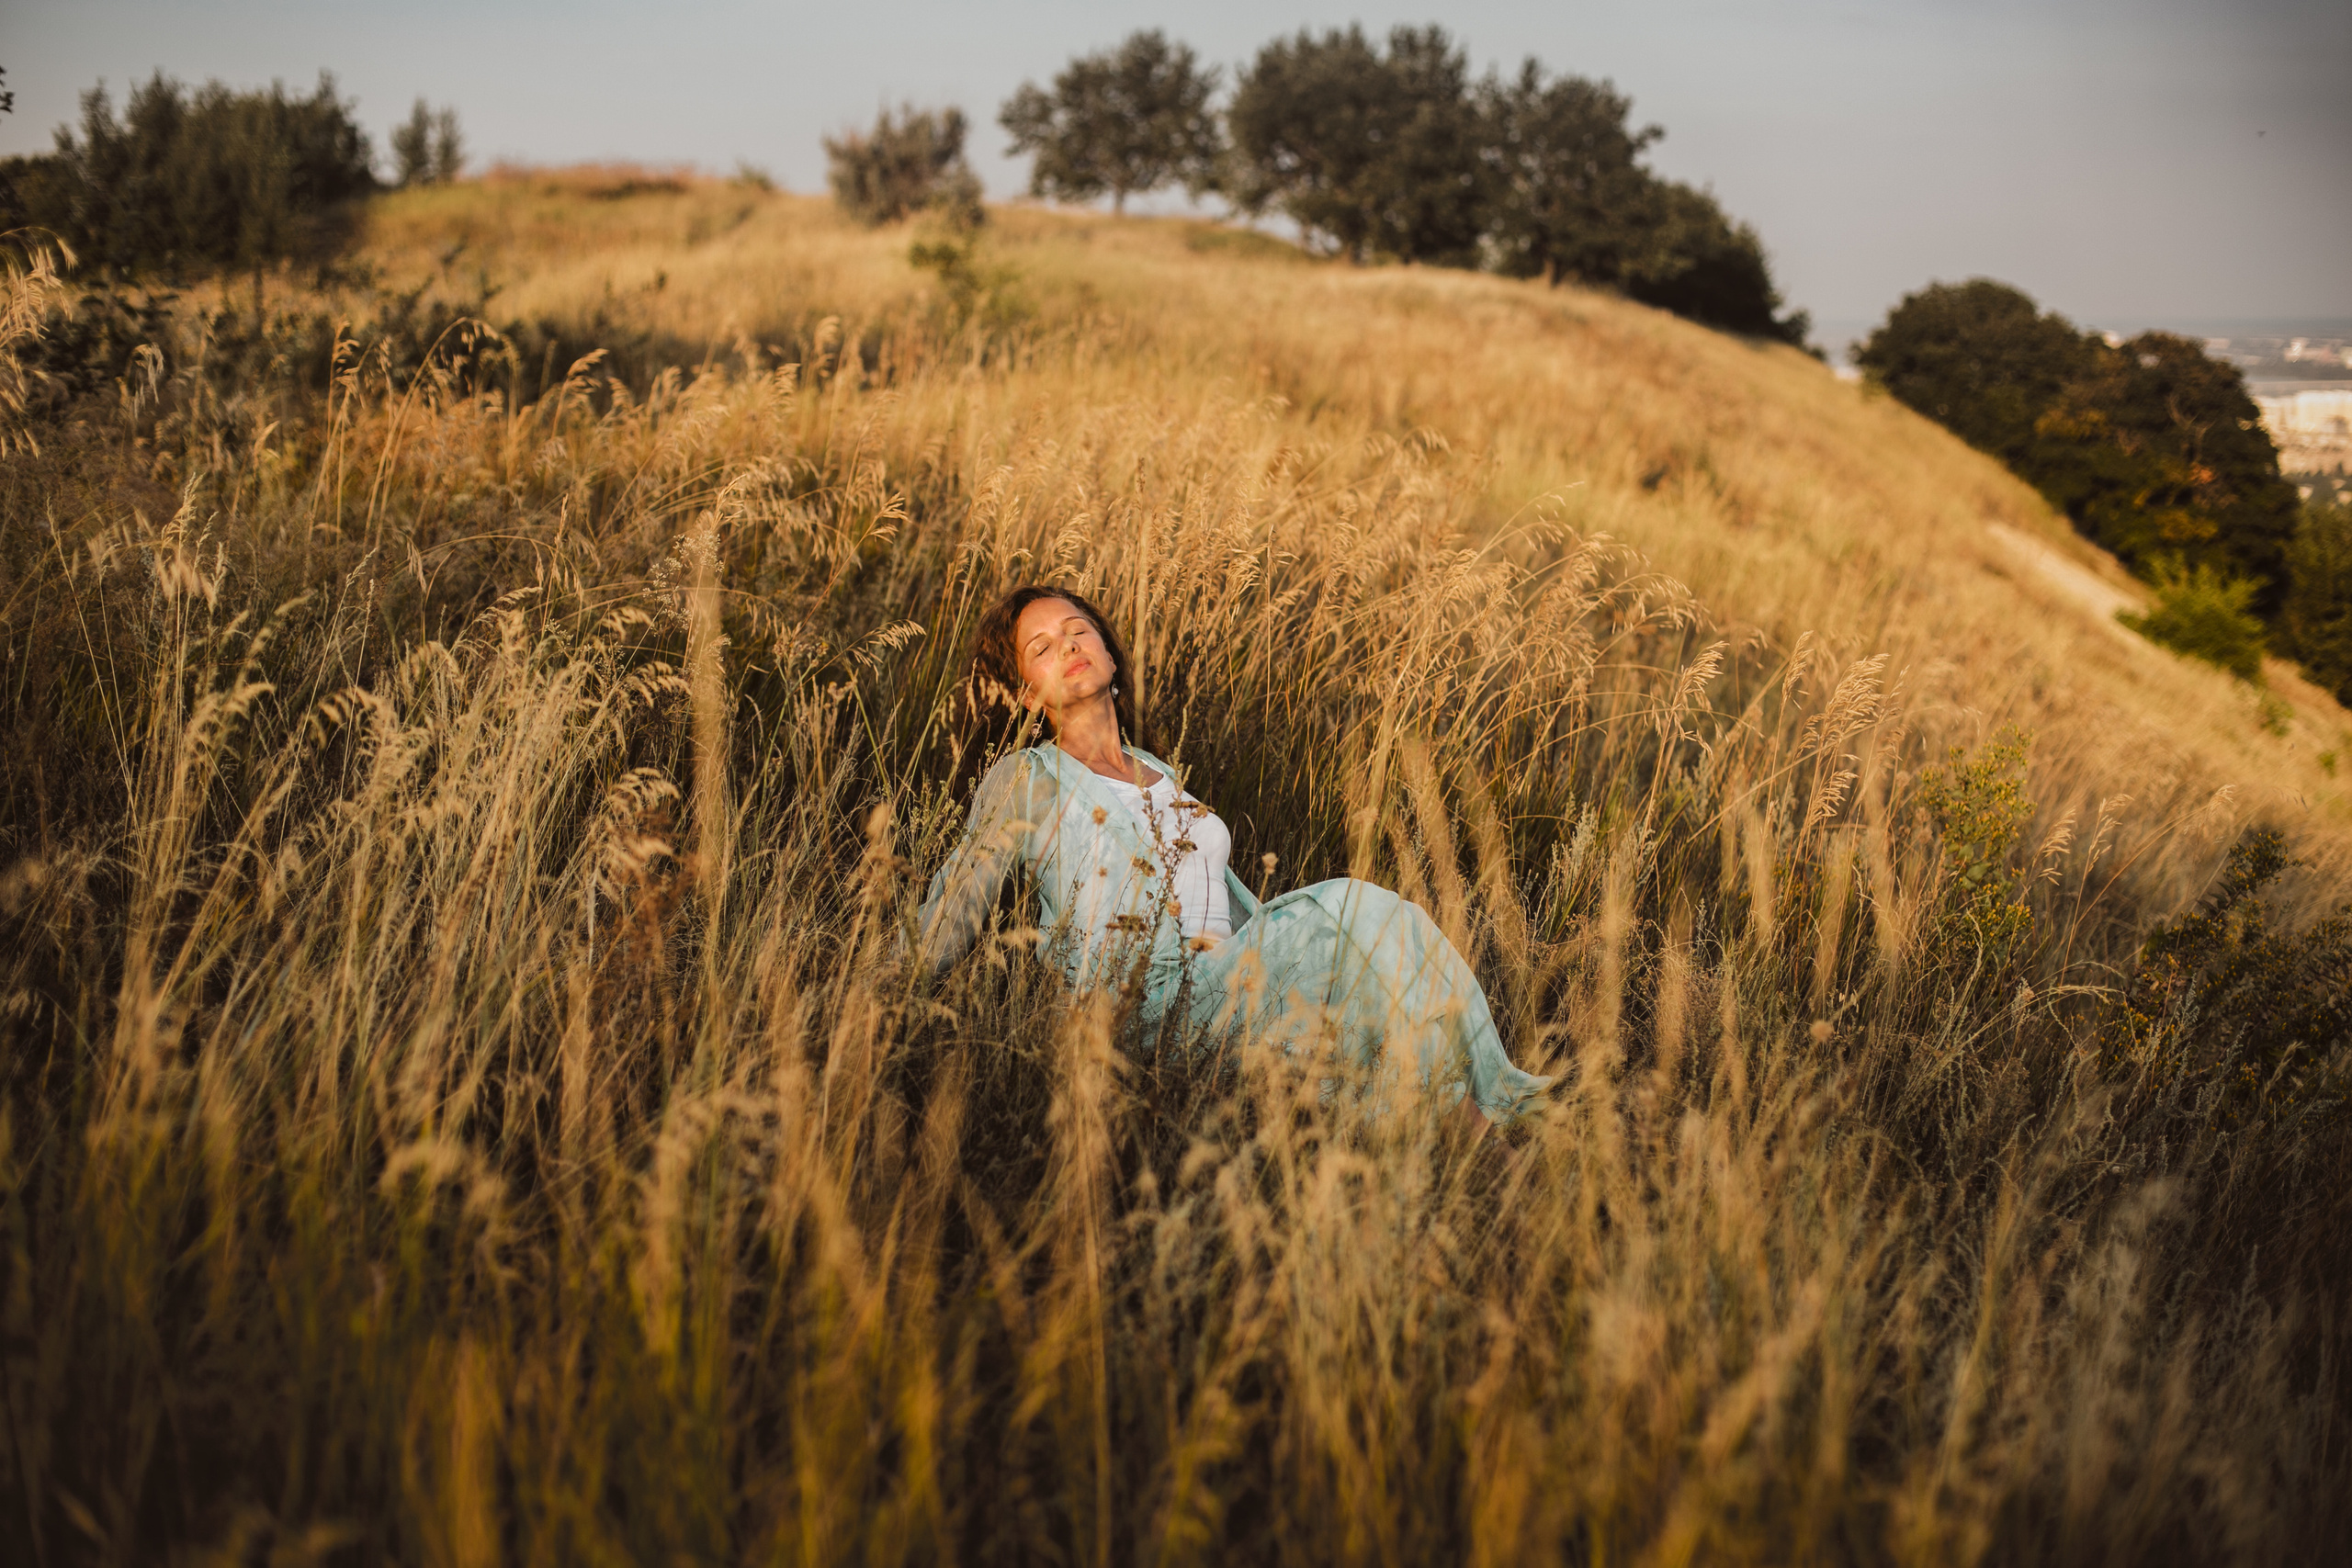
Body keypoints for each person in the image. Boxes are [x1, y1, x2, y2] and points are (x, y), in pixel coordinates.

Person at [910, 584, 1555, 1130]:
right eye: (1042, 648)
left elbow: (1222, 901)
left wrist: (1283, 952)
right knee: (1358, 909)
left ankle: (1479, 1136)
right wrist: (887, 992)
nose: (1069, 646)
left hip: (1231, 983)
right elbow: (957, 901)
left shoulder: (1158, 770)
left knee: (1378, 982)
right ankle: (1501, 1115)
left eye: (1079, 631)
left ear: (1108, 650)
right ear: (1027, 694)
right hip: (1147, 1007)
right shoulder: (1029, 777)